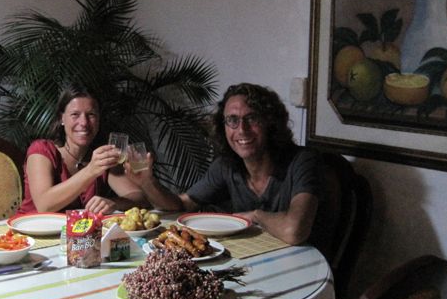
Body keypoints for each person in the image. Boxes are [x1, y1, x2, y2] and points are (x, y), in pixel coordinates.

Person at [125, 82, 328, 250]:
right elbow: (180, 205)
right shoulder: (227, 165)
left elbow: (294, 231)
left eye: (252, 118)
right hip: (255, 256)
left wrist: (256, 215)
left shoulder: (303, 161)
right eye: (232, 120)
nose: (242, 129)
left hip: (304, 264)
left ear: (269, 123)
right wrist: (147, 182)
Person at [17, 84, 147, 214]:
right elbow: (44, 205)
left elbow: (139, 197)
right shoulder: (42, 150)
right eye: (75, 114)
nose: (84, 122)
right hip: (31, 226)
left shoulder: (101, 156)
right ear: (62, 118)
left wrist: (114, 203)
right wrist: (91, 170)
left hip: (74, 227)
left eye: (91, 114)